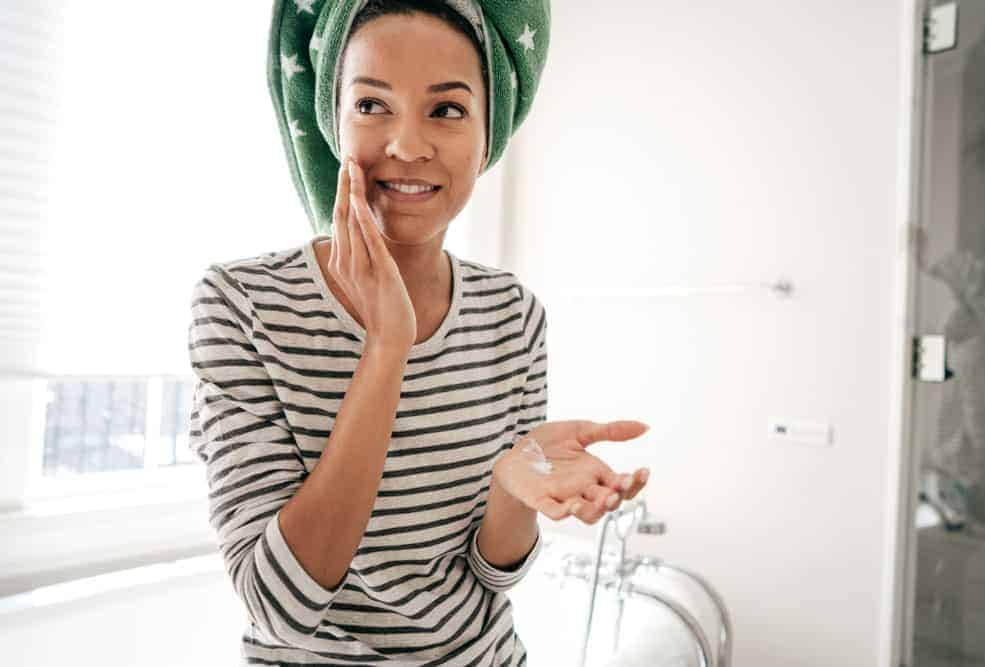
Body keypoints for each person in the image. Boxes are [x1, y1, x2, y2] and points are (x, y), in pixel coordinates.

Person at [187, 1, 651, 664]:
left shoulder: (513, 315)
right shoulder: (241, 304)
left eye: (447, 109)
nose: (407, 145)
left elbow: (495, 576)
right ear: (332, 119)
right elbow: (281, 604)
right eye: (373, 105)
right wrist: (386, 345)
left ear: (489, 134)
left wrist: (513, 485)